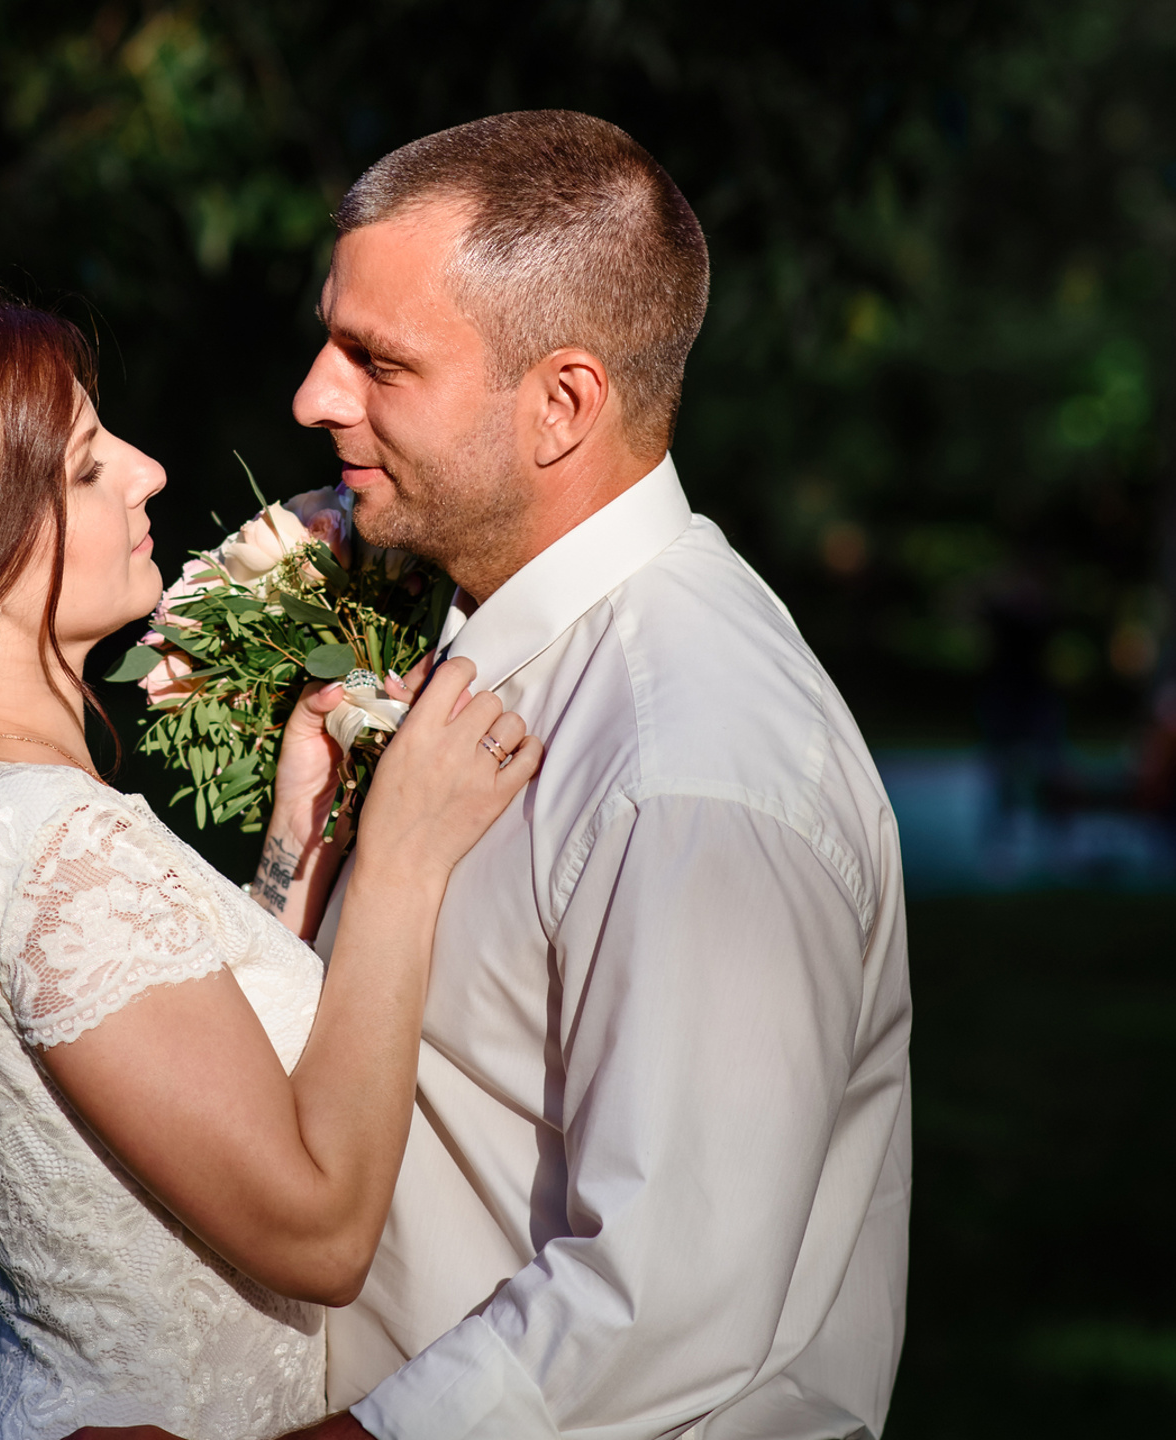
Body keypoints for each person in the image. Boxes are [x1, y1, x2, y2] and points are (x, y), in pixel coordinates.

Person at [0, 291, 541, 1440]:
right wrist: (403, 855)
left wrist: (296, 848)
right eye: (88, 466)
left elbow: (195, 1086)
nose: (149, 471)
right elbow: (317, 1233)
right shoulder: (41, 839)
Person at [255, 110, 912, 1439]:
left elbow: (661, 1293)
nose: (315, 399)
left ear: (563, 404)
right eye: (330, 341)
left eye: (378, 361)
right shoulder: (488, 646)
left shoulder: (687, 763)